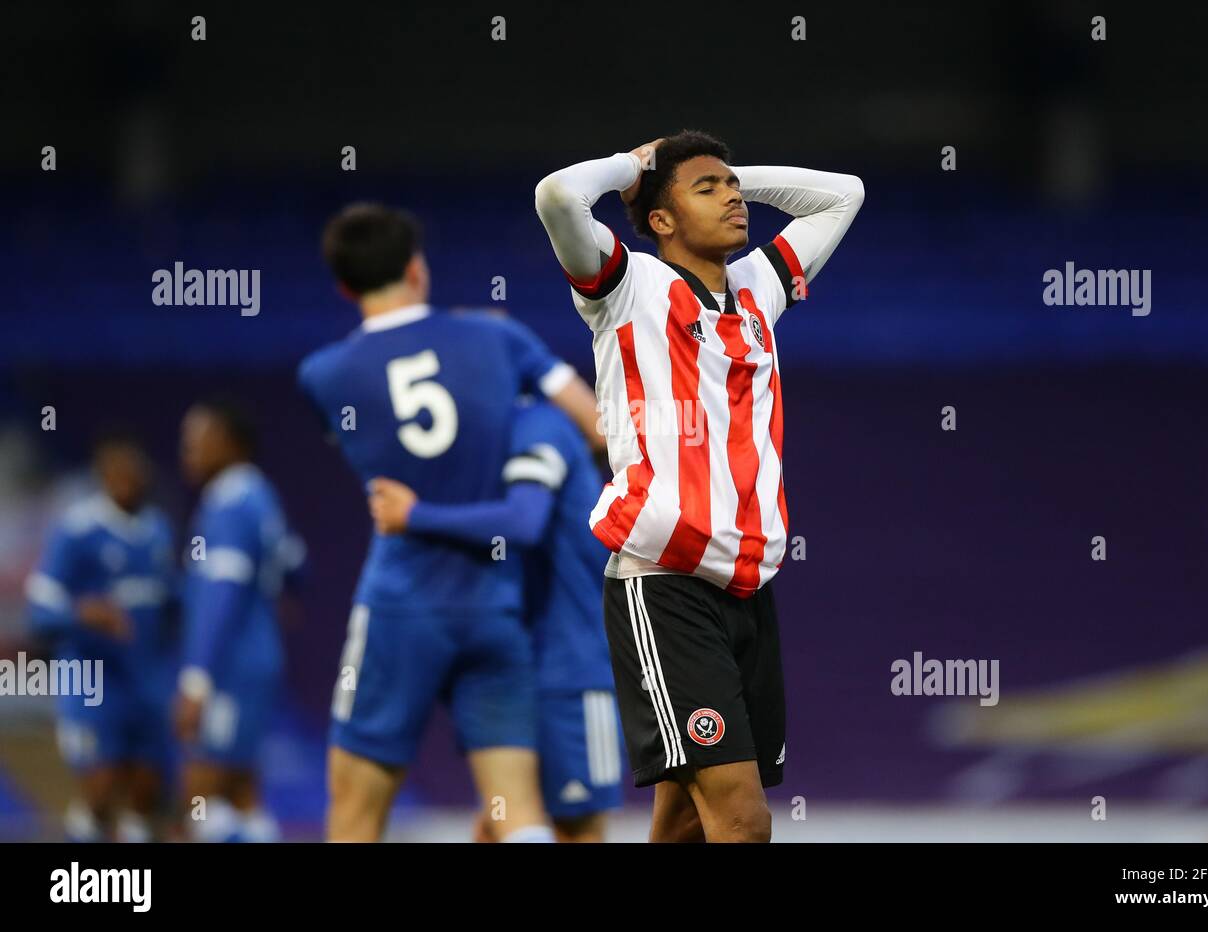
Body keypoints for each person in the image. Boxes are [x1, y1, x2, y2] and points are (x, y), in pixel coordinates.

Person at [534, 131, 863, 841]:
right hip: (666, 584)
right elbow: (557, 194)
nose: (734, 196)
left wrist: (721, 168)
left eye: (734, 185)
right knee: (743, 823)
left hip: (747, 588)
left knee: (684, 820)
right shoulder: (627, 287)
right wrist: (636, 168)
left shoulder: (758, 289)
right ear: (661, 219)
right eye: (707, 189)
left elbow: (844, 194)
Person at [299, 203, 600, 842]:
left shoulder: (324, 375)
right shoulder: (499, 337)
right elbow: (599, 426)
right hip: (496, 606)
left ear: (344, 287)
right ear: (417, 269)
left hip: (400, 603)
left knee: (355, 810)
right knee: (515, 812)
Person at [368, 397, 624, 842]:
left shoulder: (539, 424)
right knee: (501, 823)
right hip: (525, 667)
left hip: (571, 673)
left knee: (574, 828)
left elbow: (523, 522)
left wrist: (415, 515)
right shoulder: (512, 432)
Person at [26, 432, 177, 841]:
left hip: (143, 681)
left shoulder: (157, 530)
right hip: (91, 680)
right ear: (103, 476)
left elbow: (169, 604)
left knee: (146, 791)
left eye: (135, 474)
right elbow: (38, 610)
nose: (128, 482)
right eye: (118, 474)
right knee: (101, 788)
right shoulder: (77, 531)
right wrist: (82, 613)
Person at [176, 399, 303, 842]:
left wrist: (197, 680)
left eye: (198, 439)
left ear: (232, 444)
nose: (186, 449)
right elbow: (294, 567)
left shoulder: (229, 503)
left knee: (199, 792)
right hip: (256, 656)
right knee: (242, 790)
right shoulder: (262, 496)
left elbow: (221, 597)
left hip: (229, 665)